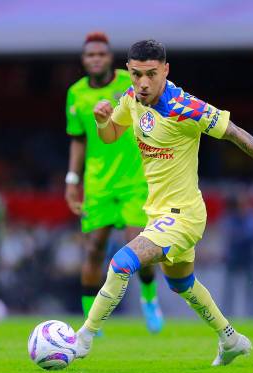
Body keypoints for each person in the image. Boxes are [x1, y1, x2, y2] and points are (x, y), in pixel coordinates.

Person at [74, 39, 253, 366]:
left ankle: (83, 339)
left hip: (183, 216)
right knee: (182, 283)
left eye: (151, 74)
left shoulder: (185, 107)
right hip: (158, 213)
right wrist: (102, 120)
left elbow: (233, 132)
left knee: (121, 263)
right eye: (136, 74)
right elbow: (111, 135)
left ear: (166, 70)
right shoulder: (132, 99)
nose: (143, 82)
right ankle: (231, 339)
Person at [65, 32, 163, 333]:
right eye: (90, 55)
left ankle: (149, 298)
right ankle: (91, 320)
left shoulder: (131, 82)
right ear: (84, 60)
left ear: (110, 58)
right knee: (94, 249)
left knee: (139, 249)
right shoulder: (76, 94)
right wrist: (72, 180)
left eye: (101, 54)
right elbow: (78, 140)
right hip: (98, 184)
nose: (96, 59)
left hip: (134, 180)